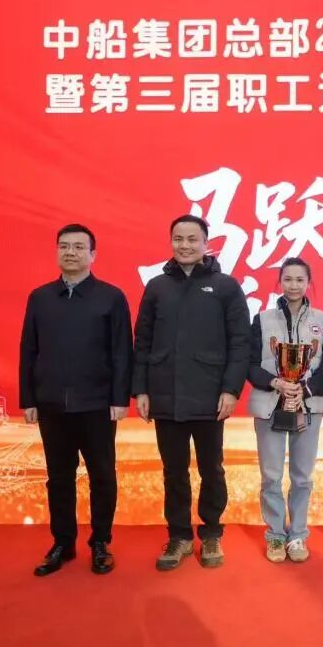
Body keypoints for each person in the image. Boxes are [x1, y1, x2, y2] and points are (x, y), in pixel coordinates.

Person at [132, 214, 250, 571]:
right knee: (174, 471)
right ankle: (179, 536)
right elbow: (142, 341)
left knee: (212, 469)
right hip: (165, 394)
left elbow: (240, 343)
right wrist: (141, 389)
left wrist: (230, 389)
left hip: (210, 396)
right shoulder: (157, 287)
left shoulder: (226, 287)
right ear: (171, 242)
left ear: (205, 244)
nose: (185, 245)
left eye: (192, 239)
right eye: (178, 239)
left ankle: (211, 532)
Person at [19, 223, 132, 577]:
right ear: (57, 251)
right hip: (51, 405)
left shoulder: (111, 297)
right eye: (64, 246)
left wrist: (120, 398)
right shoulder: (40, 297)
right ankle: (63, 543)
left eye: (79, 247)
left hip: (97, 404)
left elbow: (122, 352)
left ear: (92, 254)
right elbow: (28, 350)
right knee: (58, 478)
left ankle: (100, 542)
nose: (71, 252)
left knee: (102, 476)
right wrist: (29, 399)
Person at [247, 258, 323, 563]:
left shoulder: (322, 320)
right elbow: (249, 364)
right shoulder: (262, 320)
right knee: (271, 475)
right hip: (269, 404)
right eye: (288, 279)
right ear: (279, 282)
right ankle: (275, 534)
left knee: (302, 476)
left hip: (308, 405)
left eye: (300, 280)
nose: (293, 285)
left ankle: (297, 534)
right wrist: (276, 382)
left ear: (308, 283)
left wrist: (304, 389)